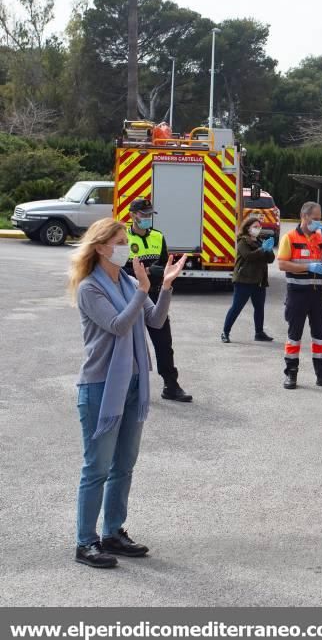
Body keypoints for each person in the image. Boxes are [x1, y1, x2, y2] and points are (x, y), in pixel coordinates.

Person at [68, 217, 187, 568]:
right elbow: (120, 326)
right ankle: (85, 542)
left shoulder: (130, 281)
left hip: (134, 382)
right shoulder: (90, 288)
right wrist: (141, 290)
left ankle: (112, 532)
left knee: (124, 465)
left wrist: (163, 287)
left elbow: (155, 321)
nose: (126, 247)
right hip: (101, 386)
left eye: (126, 240)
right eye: (119, 241)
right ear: (101, 246)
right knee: (97, 468)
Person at [124, 198, 191, 403]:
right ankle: (127, 386)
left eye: (149, 215)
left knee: (163, 343)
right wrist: (141, 273)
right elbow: (118, 270)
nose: (147, 218)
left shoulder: (158, 237)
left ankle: (171, 384)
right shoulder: (123, 238)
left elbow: (164, 266)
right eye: (143, 215)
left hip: (154, 294)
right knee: (129, 344)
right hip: (130, 296)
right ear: (132, 215)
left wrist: (157, 273)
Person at [276, 201, 322, 390]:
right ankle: (291, 374)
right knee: (294, 336)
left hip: (317, 295)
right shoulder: (290, 237)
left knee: (320, 336)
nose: (319, 223)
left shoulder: (321, 238)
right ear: (304, 216)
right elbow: (282, 264)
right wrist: (308, 267)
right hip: (297, 294)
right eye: (316, 218)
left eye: (321, 219)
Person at [221, 215, 276, 343]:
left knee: (259, 308)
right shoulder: (242, 241)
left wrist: (268, 250)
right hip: (244, 280)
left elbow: (270, 260)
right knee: (236, 307)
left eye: (259, 227)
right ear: (247, 228)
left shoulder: (259, 241)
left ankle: (259, 332)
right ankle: (225, 332)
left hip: (259, 281)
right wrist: (262, 249)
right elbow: (248, 256)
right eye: (255, 226)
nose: (258, 229)